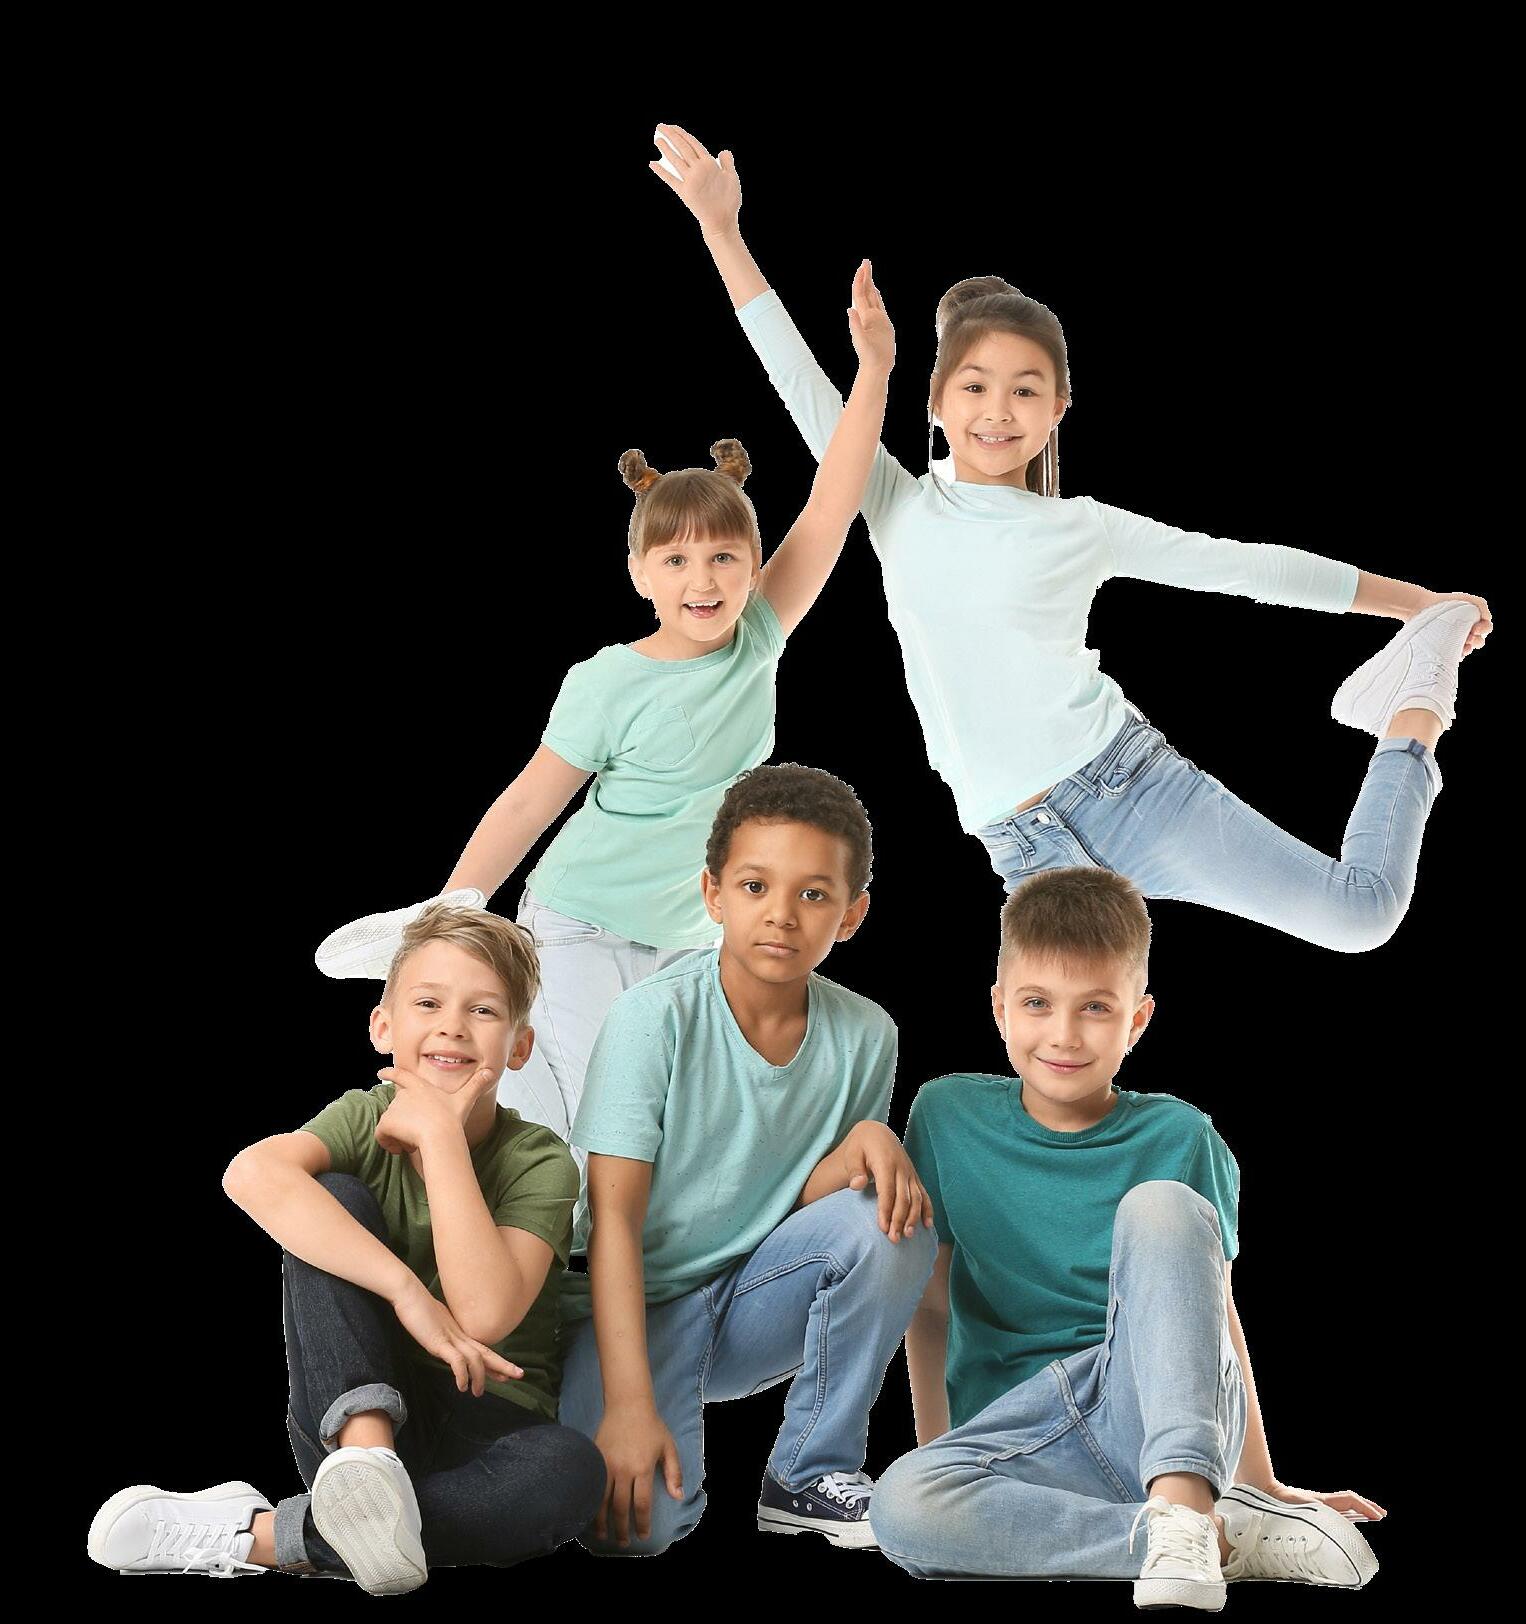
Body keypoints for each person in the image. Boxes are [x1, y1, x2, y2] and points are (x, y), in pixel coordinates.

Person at [653, 121, 1495, 954]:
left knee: (1359, 915)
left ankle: (1416, 696)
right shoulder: (893, 499)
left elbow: (1244, 568)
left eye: (1025, 391)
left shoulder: (1081, 527)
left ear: (1056, 409)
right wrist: (722, 228)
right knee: (1065, 1029)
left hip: (1131, 788)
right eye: (975, 387)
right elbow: (796, 376)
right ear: (936, 401)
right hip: (1022, 847)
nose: (997, 411)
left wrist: (1416, 605)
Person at [312, 265, 896, 1155]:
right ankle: (446, 1129)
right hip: (580, 923)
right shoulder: (608, 681)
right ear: (640, 574)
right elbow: (530, 800)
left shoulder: (760, 637)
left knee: (666, 1118)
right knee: (601, 1121)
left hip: (687, 937)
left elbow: (833, 502)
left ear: (752, 568)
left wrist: (875, 371)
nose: (703, 581)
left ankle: (500, 1154)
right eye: (677, 562)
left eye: (724, 559)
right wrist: (455, 908)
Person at [866, 868, 1383, 1606]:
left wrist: (1262, 1481)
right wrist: (941, 1452)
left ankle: (1189, 1504)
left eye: (1095, 1008)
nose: (1063, 1034)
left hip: (1151, 1409)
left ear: (1136, 1021)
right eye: (1037, 1003)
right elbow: (932, 1303)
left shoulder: (1180, 1136)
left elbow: (1211, 1315)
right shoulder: (946, 1116)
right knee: (902, 1506)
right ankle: (1210, 1540)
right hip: (1023, 1436)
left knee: (1161, 1206)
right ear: (999, 1007)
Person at [87, 903, 605, 1591]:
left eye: (483, 1011)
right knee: (330, 1194)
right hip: (352, 1412)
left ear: (519, 1046)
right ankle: (367, 1465)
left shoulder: (541, 1160)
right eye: (428, 1003)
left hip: (489, 1429)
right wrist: (405, 1292)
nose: (452, 1025)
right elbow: (251, 1174)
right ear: (383, 1026)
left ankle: (265, 1536)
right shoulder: (364, 1116)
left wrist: (441, 1138)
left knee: (571, 1472)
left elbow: (482, 1316)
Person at [558, 764, 938, 1554]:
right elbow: (614, 1223)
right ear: (713, 894)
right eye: (756, 886)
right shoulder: (653, 1019)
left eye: (814, 894)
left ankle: (807, 1475)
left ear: (852, 913)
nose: (782, 916)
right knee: (634, 1532)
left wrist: (865, 1144)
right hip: (634, 1307)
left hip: (751, 1299)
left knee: (891, 1215)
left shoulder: (868, 1034)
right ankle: (592, 1405)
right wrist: (628, 1406)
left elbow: (804, 1208)